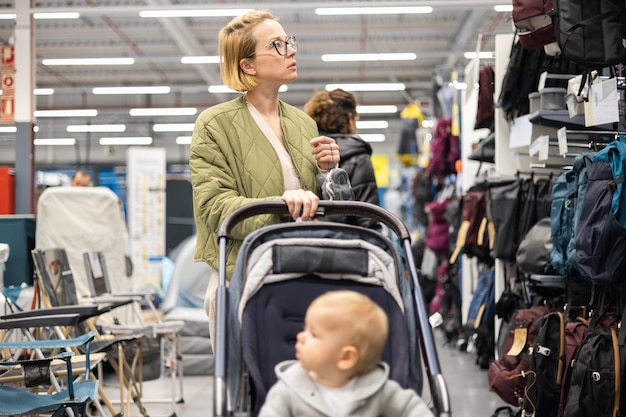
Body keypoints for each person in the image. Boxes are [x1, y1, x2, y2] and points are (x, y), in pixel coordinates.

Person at [189, 10, 340, 348]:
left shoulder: (304, 124)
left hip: (303, 270)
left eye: (289, 42)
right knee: (246, 393)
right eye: (277, 45)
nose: (291, 51)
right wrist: (281, 205)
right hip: (241, 278)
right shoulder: (215, 125)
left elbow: (320, 204)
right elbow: (214, 207)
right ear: (248, 66)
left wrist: (329, 172)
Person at [259, 290, 434, 417]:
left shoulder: (377, 389)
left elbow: (411, 408)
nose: (300, 336)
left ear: (346, 358)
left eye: (313, 333)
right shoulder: (289, 389)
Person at [304, 89, 380, 229]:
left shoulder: (306, 151)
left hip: (305, 238)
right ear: (349, 118)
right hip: (346, 241)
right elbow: (367, 216)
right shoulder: (358, 157)